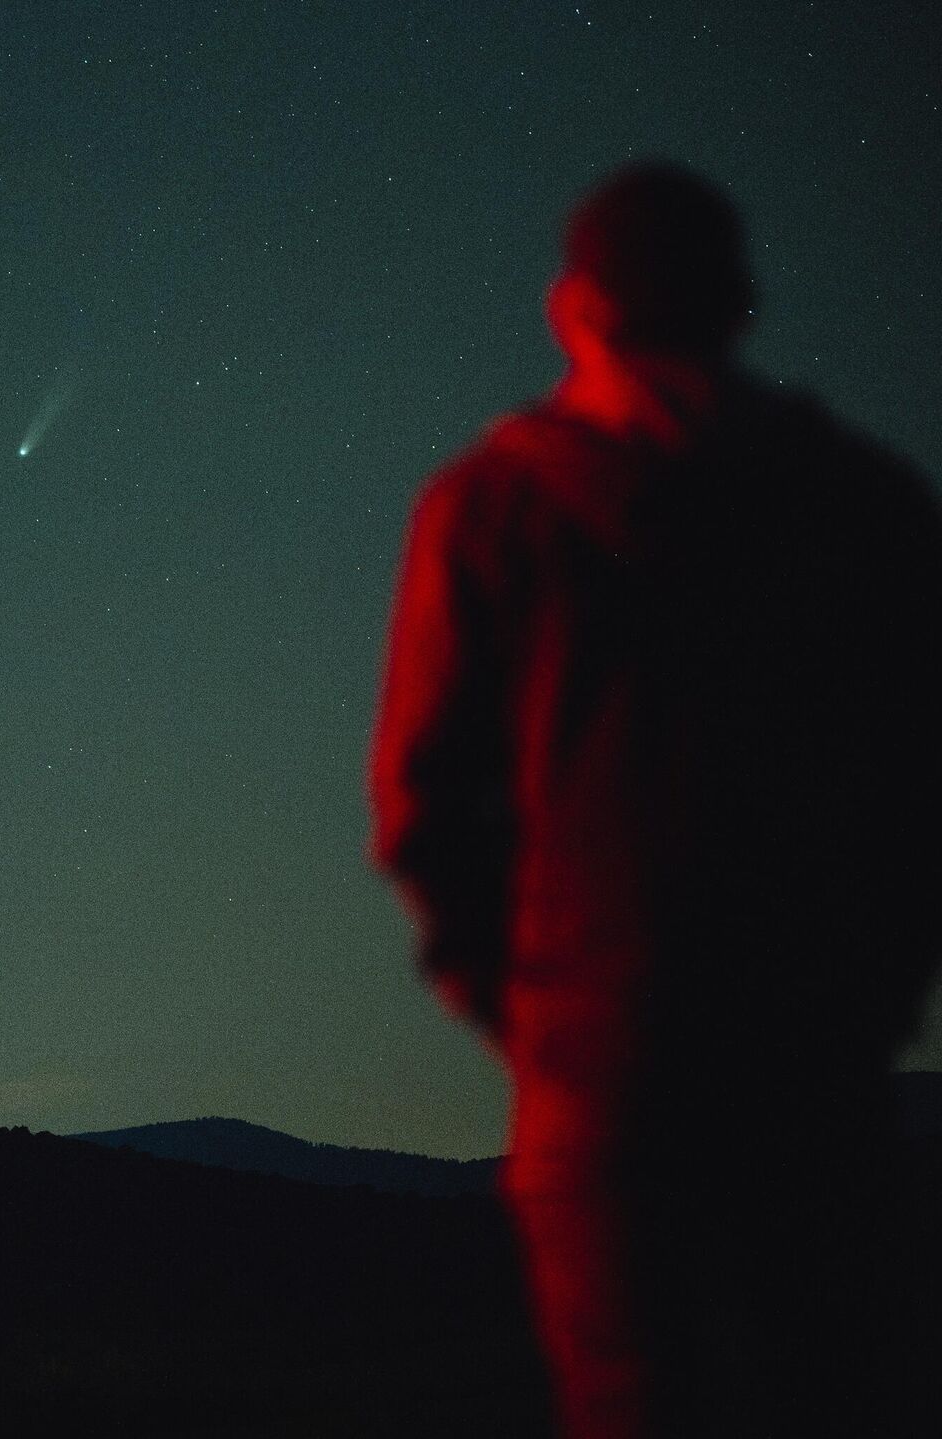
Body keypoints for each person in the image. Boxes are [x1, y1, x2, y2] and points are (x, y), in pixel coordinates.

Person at [369, 164, 942, 1438]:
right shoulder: (863, 504)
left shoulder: (491, 510)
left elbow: (420, 800)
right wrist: (872, 992)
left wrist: (533, 1006)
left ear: (573, 307)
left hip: (603, 1063)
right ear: (738, 302)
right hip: (814, 1053)